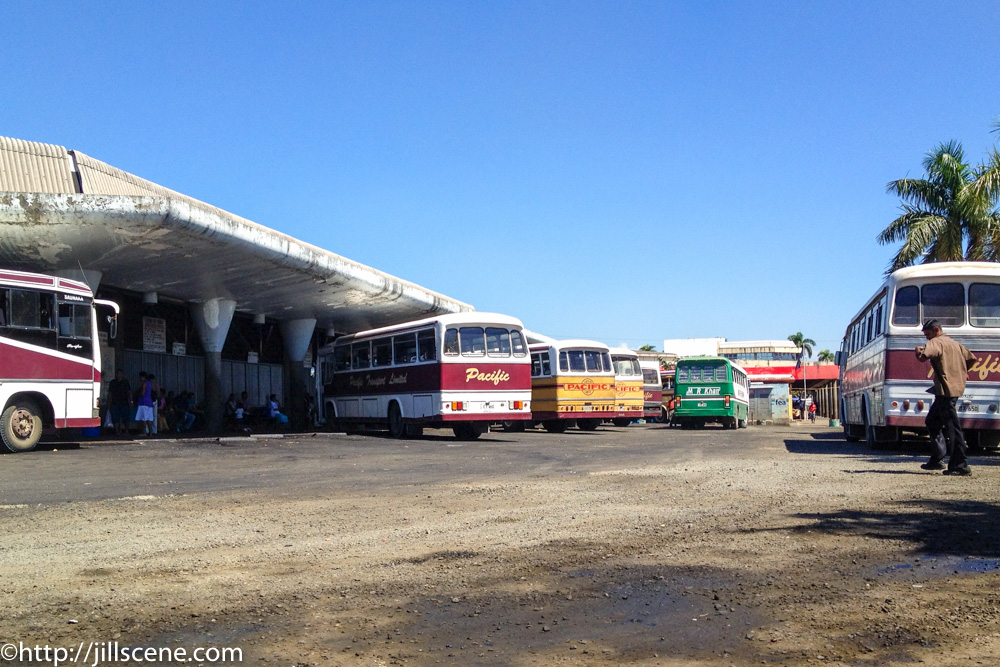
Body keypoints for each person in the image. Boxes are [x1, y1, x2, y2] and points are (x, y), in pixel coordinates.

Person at [916, 319, 977, 476]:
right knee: (932, 421)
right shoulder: (954, 344)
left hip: (945, 390)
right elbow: (971, 358)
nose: (927, 338)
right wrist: (962, 372)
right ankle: (937, 458)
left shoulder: (937, 342)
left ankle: (960, 464)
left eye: (928, 334)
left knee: (952, 428)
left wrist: (918, 351)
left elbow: (923, 357)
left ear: (936, 330)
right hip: (952, 389)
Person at [107, 369, 133, 437]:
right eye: (117, 373)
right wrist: (109, 403)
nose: (118, 375)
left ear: (122, 374)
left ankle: (126, 431)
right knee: (116, 418)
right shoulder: (112, 382)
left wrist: (130, 401)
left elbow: (129, 392)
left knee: (126, 418)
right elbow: (110, 393)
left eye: (120, 373)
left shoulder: (125, 382)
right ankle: (117, 432)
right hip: (115, 402)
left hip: (124, 402)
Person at [134, 371, 155, 437]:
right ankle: (150, 432)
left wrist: (137, 395)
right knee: (150, 418)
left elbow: (142, 393)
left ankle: (144, 432)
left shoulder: (144, 384)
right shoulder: (150, 383)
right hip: (149, 402)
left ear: (143, 377)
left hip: (143, 402)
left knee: (144, 419)